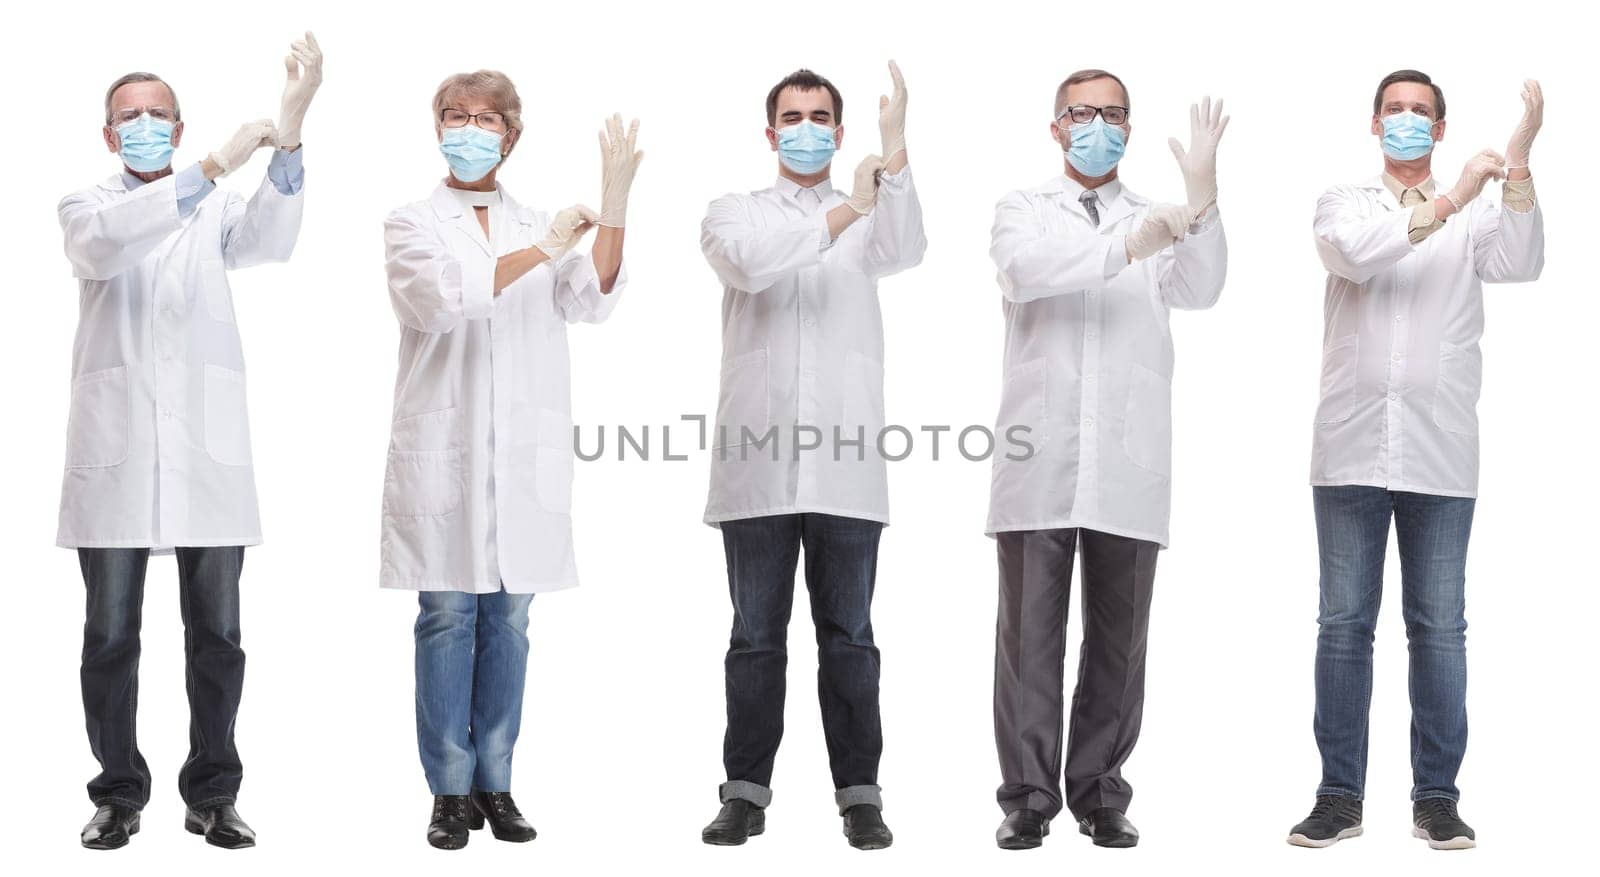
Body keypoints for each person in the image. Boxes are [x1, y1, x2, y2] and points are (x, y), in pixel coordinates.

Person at [57, 33, 320, 851]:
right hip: (117, 459)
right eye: (128, 117)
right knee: (109, 637)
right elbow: (105, 246)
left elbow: (271, 243)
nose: (143, 126)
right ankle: (117, 793)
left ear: (176, 125)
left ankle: (213, 792)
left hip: (207, 458)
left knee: (218, 638)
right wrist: (208, 164)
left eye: (157, 116)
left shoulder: (217, 211)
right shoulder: (86, 206)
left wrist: (291, 132)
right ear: (109, 135)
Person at [380, 69, 640, 851]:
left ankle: (497, 780)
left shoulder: (536, 220)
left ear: (512, 135)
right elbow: (441, 298)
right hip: (446, 455)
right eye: (454, 115)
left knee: (512, 623)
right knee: (447, 618)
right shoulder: (410, 223)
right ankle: (449, 790)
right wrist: (546, 245)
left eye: (485, 118)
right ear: (437, 129)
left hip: (520, 461)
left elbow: (591, 299)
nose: (468, 128)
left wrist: (614, 210)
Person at [1286, 71, 1544, 852]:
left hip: (1440, 451)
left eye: (1421, 113)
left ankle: (1437, 796)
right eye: (1394, 110)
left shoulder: (1478, 217)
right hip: (1351, 448)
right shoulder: (1345, 202)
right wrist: (1451, 199)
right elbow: (1355, 257)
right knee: (1342, 626)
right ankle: (1339, 795)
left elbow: (1522, 263)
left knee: (1439, 628)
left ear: (1440, 129)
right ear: (1374, 124)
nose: (1406, 121)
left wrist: (1521, 163)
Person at [986, 69, 1229, 851]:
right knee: (1031, 638)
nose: (1100, 124)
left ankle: (1099, 791)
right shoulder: (1023, 210)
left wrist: (1202, 206)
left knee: (1120, 641)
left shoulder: (1158, 215)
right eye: (1084, 112)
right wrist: (1130, 242)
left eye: (1114, 113)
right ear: (1056, 126)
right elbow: (1029, 273)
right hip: (1040, 455)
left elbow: (1204, 287)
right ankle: (1028, 794)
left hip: (1129, 459)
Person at [697, 62, 925, 851]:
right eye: (791, 116)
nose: (806, 128)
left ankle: (860, 794)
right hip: (756, 464)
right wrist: (845, 211)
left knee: (850, 636)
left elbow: (907, 247)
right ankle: (745, 793)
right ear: (769, 133)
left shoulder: (871, 207)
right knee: (755, 636)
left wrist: (893, 160)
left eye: (821, 116)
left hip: (847, 463)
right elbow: (748, 263)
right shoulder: (735, 213)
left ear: (840, 129)